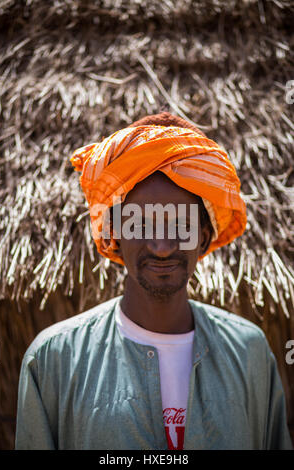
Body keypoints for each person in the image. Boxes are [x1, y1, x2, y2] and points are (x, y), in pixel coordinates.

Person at [15, 112, 293, 450]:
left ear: (203, 239)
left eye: (179, 225)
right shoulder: (54, 359)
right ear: (115, 235)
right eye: (141, 224)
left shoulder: (249, 353)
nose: (162, 247)